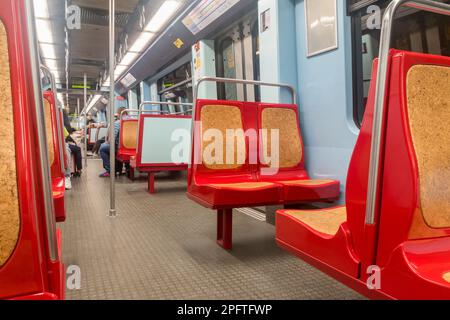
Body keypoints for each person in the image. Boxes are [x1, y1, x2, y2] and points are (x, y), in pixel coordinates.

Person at [99, 107, 127, 177]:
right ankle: (119, 169)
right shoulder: (135, 121)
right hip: (132, 147)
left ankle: (109, 171)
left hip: (120, 147)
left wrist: (106, 142)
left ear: (118, 114)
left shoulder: (117, 123)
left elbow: (111, 140)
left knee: (103, 148)